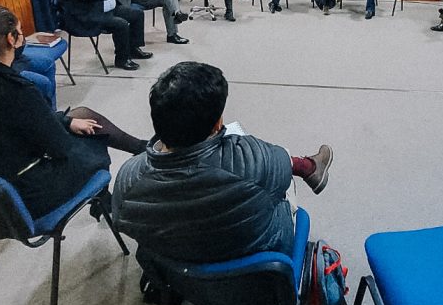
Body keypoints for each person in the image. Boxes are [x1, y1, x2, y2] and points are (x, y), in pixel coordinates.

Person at [0, 4, 147, 219]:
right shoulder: (15, 90)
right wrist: (64, 125)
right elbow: (60, 148)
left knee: (79, 117)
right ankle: (131, 168)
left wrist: (65, 120)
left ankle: (138, 151)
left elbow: (21, 123)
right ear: (11, 39)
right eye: (20, 32)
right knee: (92, 139)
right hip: (22, 196)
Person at [113, 61, 334, 265]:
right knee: (282, 172)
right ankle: (309, 168)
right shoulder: (252, 160)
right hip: (256, 263)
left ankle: (309, 168)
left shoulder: (127, 179)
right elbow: (281, 173)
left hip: (180, 269)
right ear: (218, 124)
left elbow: (126, 224)